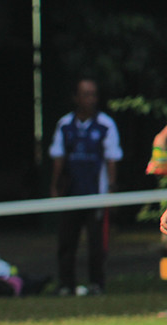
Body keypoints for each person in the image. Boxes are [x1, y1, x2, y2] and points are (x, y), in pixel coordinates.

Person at [49, 77, 122, 296]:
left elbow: (112, 159)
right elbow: (58, 158)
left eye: (93, 94)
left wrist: (110, 189)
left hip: (96, 194)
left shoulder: (105, 125)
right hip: (71, 194)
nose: (90, 99)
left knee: (96, 245)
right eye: (85, 94)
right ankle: (66, 285)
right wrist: (54, 187)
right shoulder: (65, 125)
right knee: (66, 242)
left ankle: (96, 284)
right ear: (76, 97)